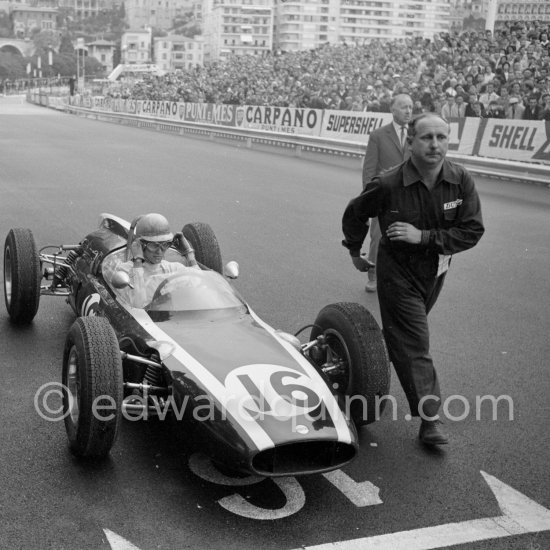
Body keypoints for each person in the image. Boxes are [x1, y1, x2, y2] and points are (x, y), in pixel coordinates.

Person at [342, 113, 484, 446]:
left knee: (403, 339)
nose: (435, 145)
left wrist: (423, 237)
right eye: (426, 138)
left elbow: (472, 230)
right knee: (415, 342)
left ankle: (364, 356)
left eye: (441, 137)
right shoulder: (388, 183)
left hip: (435, 271)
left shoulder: (460, 180)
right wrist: (354, 250)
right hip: (398, 273)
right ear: (410, 142)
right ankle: (430, 420)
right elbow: (355, 212)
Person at [361, 93, 413, 292]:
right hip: (384, 197)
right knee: (378, 237)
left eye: (410, 107)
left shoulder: (417, 135)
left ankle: (400, 277)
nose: (408, 111)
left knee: (406, 238)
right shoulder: (378, 135)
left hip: (410, 198)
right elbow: (369, 171)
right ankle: (373, 276)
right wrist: (369, 199)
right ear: (393, 109)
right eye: (403, 107)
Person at [118, 213, 199, 308]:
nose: (159, 251)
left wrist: (189, 255)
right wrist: (138, 262)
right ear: (140, 244)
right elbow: (138, 305)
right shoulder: (125, 272)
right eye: (154, 245)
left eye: (165, 245)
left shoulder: (172, 268)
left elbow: (200, 285)